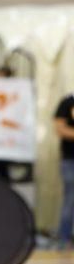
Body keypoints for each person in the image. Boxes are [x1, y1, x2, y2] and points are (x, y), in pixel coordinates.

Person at [55, 93, 74, 247]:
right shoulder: (68, 101)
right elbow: (60, 129)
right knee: (70, 199)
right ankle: (64, 238)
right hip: (70, 159)